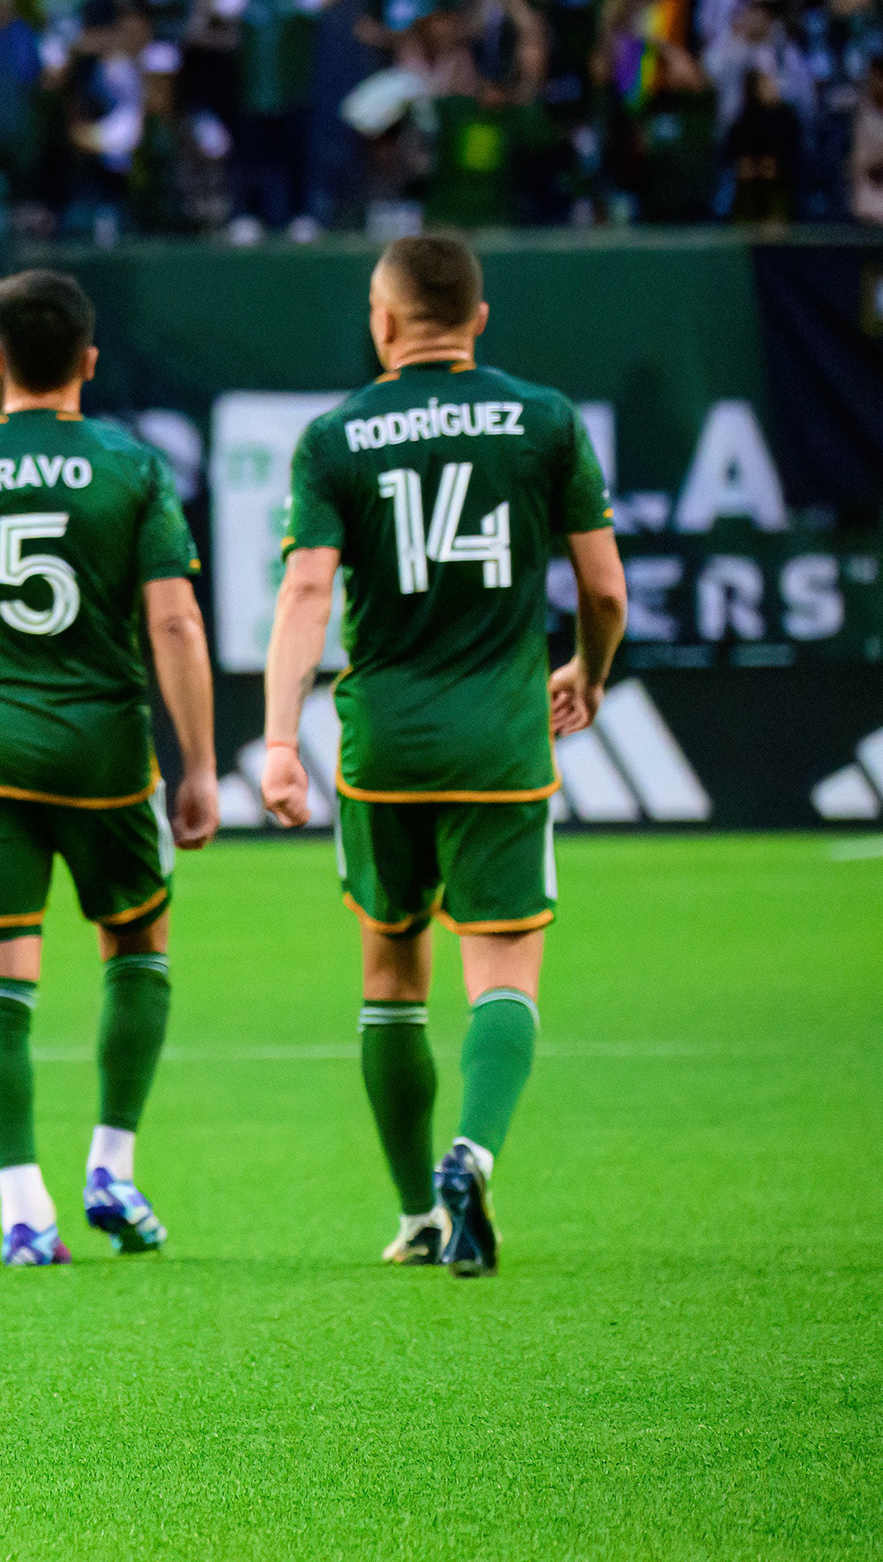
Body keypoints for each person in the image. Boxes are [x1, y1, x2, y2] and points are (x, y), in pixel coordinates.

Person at [259, 235, 628, 1275]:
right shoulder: (545, 420)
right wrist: (589, 673)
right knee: (503, 969)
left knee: (390, 976)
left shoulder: (336, 437)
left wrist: (282, 738)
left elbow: (305, 592)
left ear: (383, 319)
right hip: (503, 739)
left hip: (383, 744)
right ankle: (472, 1153)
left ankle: (417, 1210)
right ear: (479, 315)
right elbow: (603, 589)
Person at [0, 269, 217, 1265]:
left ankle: (22, 1205)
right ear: (87, 359)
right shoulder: (131, 466)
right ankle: (112, 1163)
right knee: (137, 941)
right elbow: (172, 617)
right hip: (105, 752)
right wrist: (200, 761)